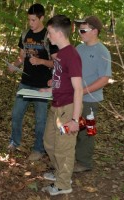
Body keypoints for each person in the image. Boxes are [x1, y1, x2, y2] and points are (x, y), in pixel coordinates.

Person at [7, 3, 58, 161]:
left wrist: (41, 61)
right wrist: (14, 65)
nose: (31, 23)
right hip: (25, 82)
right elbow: (21, 57)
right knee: (16, 115)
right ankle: (14, 142)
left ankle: (38, 149)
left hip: (42, 86)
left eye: (34, 20)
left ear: (42, 18)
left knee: (40, 120)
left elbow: (56, 63)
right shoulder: (25, 35)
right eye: (29, 20)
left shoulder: (48, 37)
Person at [41, 15, 83, 196]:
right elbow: (61, 81)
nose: (48, 36)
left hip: (67, 109)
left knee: (63, 148)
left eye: (50, 33)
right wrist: (50, 90)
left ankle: (63, 183)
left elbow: (78, 89)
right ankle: (60, 173)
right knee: (49, 142)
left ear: (58, 33)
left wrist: (75, 119)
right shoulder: (61, 54)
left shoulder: (72, 55)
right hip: (56, 105)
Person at [74, 16, 112, 172]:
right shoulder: (79, 48)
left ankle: (84, 162)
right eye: (79, 29)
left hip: (90, 101)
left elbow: (104, 79)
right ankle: (70, 157)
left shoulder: (103, 52)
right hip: (74, 99)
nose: (80, 32)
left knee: (87, 132)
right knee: (72, 129)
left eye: (83, 30)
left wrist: (82, 91)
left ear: (95, 31)